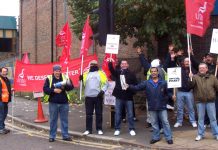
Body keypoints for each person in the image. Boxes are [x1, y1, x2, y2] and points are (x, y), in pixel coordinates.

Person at [128, 67, 173, 144]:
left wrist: (172, 96)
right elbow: (137, 87)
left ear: (158, 72)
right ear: (150, 73)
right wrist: (128, 86)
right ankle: (156, 137)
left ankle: (168, 137)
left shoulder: (164, 82)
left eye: (155, 71)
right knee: (154, 123)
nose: (153, 73)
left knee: (165, 122)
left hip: (162, 106)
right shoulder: (146, 83)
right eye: (152, 71)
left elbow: (168, 93)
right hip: (152, 106)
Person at [43, 65, 74, 142]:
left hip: (64, 102)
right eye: (56, 71)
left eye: (59, 71)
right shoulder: (49, 78)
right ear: (53, 71)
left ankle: (65, 135)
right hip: (53, 103)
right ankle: (52, 136)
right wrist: (54, 90)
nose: (57, 72)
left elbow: (71, 87)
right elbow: (45, 89)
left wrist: (66, 85)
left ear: (60, 71)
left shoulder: (65, 77)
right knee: (53, 120)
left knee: (64, 120)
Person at [189, 63, 218, 141]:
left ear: (207, 69)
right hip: (200, 101)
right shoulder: (194, 77)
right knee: (200, 119)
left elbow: (217, 88)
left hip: (210, 101)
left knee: (213, 119)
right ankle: (200, 134)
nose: (201, 69)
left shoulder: (213, 77)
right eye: (200, 68)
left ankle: (216, 134)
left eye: (203, 68)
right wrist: (190, 78)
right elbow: (190, 86)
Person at [108, 59, 137, 136]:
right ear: (120, 65)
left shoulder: (131, 73)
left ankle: (131, 129)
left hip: (128, 97)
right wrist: (110, 63)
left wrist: (131, 89)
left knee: (130, 114)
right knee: (118, 113)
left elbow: (136, 84)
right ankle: (117, 129)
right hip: (119, 96)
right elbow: (111, 70)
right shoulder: (117, 72)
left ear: (127, 65)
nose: (124, 65)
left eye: (125, 63)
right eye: (122, 64)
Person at [80, 60, 108, 135]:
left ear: (97, 65)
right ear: (90, 65)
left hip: (98, 96)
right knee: (88, 114)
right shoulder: (85, 74)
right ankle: (88, 129)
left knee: (99, 113)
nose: (93, 65)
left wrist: (102, 91)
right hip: (88, 96)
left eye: (95, 64)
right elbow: (82, 85)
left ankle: (99, 128)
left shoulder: (101, 73)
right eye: (92, 64)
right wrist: (81, 79)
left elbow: (106, 83)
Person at [172, 57, 197, 128]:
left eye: (188, 61)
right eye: (186, 61)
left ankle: (193, 121)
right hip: (180, 91)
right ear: (183, 62)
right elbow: (174, 81)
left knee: (191, 108)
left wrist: (193, 76)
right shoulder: (178, 70)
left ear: (190, 63)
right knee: (179, 108)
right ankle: (179, 121)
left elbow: (196, 80)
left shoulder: (193, 70)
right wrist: (174, 93)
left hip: (189, 92)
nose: (187, 62)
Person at [0, 67, 12, 134]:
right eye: (4, 71)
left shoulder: (6, 79)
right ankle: (1, 128)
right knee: (1, 115)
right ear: (1, 72)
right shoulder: (0, 79)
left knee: (4, 114)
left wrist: (11, 90)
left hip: (5, 100)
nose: (5, 73)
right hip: (1, 100)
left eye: (6, 71)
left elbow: (6, 89)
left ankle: (2, 127)